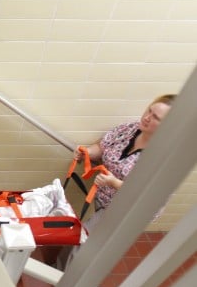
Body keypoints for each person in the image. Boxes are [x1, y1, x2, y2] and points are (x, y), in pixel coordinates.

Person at [73, 94, 176, 232]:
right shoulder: (130, 128)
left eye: (156, 118)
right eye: (149, 110)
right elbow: (103, 145)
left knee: (85, 238)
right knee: (91, 237)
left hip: (128, 211)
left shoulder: (166, 158)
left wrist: (114, 183)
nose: (146, 118)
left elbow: (148, 194)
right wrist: (88, 152)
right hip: (104, 198)